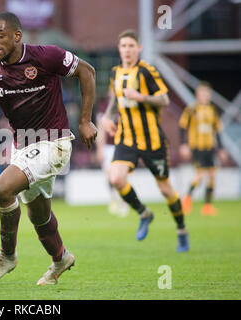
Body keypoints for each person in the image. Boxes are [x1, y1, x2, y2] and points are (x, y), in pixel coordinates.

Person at [0, 12, 97, 285]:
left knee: (2, 189)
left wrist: (85, 121)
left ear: (17, 36)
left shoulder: (46, 56)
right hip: (22, 146)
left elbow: (87, 71)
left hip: (55, 141)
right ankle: (61, 258)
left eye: (0, 35)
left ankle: (7, 255)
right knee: (38, 213)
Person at [102, 30, 189, 252]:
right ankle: (144, 213)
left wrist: (142, 97)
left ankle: (181, 230)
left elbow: (165, 99)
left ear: (138, 48)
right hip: (126, 138)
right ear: (119, 49)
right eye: (124, 46)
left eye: (131, 45)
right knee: (116, 178)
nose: (127, 50)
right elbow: (114, 99)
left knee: (165, 188)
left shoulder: (146, 71)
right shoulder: (115, 73)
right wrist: (106, 118)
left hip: (152, 141)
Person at [179, 82, 227, 216]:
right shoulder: (192, 109)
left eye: (207, 93)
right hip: (197, 147)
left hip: (210, 146)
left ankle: (207, 206)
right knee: (200, 174)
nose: (205, 96)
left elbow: (217, 131)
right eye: (202, 93)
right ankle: (187, 199)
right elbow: (182, 127)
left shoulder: (213, 110)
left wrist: (221, 149)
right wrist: (183, 145)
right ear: (197, 95)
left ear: (210, 95)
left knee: (212, 176)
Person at [96, 98, 129, 217]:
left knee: (121, 176)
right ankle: (114, 198)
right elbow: (101, 128)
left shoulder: (126, 103)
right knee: (110, 176)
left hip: (122, 144)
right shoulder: (104, 105)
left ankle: (124, 201)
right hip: (109, 147)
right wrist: (100, 148)